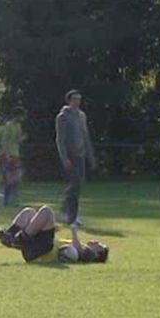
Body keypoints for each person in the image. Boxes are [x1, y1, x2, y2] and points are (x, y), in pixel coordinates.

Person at [0, 206, 109, 264]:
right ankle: (9, 235)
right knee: (30, 212)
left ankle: (18, 239)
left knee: (47, 211)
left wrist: (74, 231)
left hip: (43, 251)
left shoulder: (90, 254)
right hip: (37, 249)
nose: (96, 241)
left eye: (99, 245)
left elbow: (81, 254)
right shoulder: (80, 246)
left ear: (98, 253)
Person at [55, 90, 96, 225]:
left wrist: (90, 156)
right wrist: (64, 157)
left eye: (79, 99)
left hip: (81, 154)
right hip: (70, 155)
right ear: (69, 101)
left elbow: (85, 136)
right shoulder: (63, 117)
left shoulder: (82, 116)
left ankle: (65, 210)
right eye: (75, 99)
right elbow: (60, 139)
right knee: (75, 184)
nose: (77, 102)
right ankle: (72, 216)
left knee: (77, 185)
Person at [0, 108, 25, 206]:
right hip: (9, 154)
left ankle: (13, 199)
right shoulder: (8, 126)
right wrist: (6, 154)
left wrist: (22, 138)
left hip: (16, 154)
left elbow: (17, 139)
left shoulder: (18, 126)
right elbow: (5, 141)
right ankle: (7, 199)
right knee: (9, 178)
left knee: (16, 178)